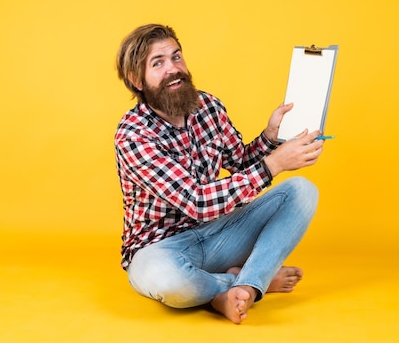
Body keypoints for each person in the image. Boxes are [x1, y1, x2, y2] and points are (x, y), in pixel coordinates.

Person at [114, 23, 325, 324]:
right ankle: (251, 282)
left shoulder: (208, 106)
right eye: (158, 63)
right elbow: (196, 201)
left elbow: (240, 162)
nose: (173, 69)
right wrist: (275, 163)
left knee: (303, 191)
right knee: (169, 282)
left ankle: (244, 283)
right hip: (160, 249)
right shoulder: (133, 134)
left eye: (176, 57)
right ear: (137, 80)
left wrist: (270, 137)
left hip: (220, 234)